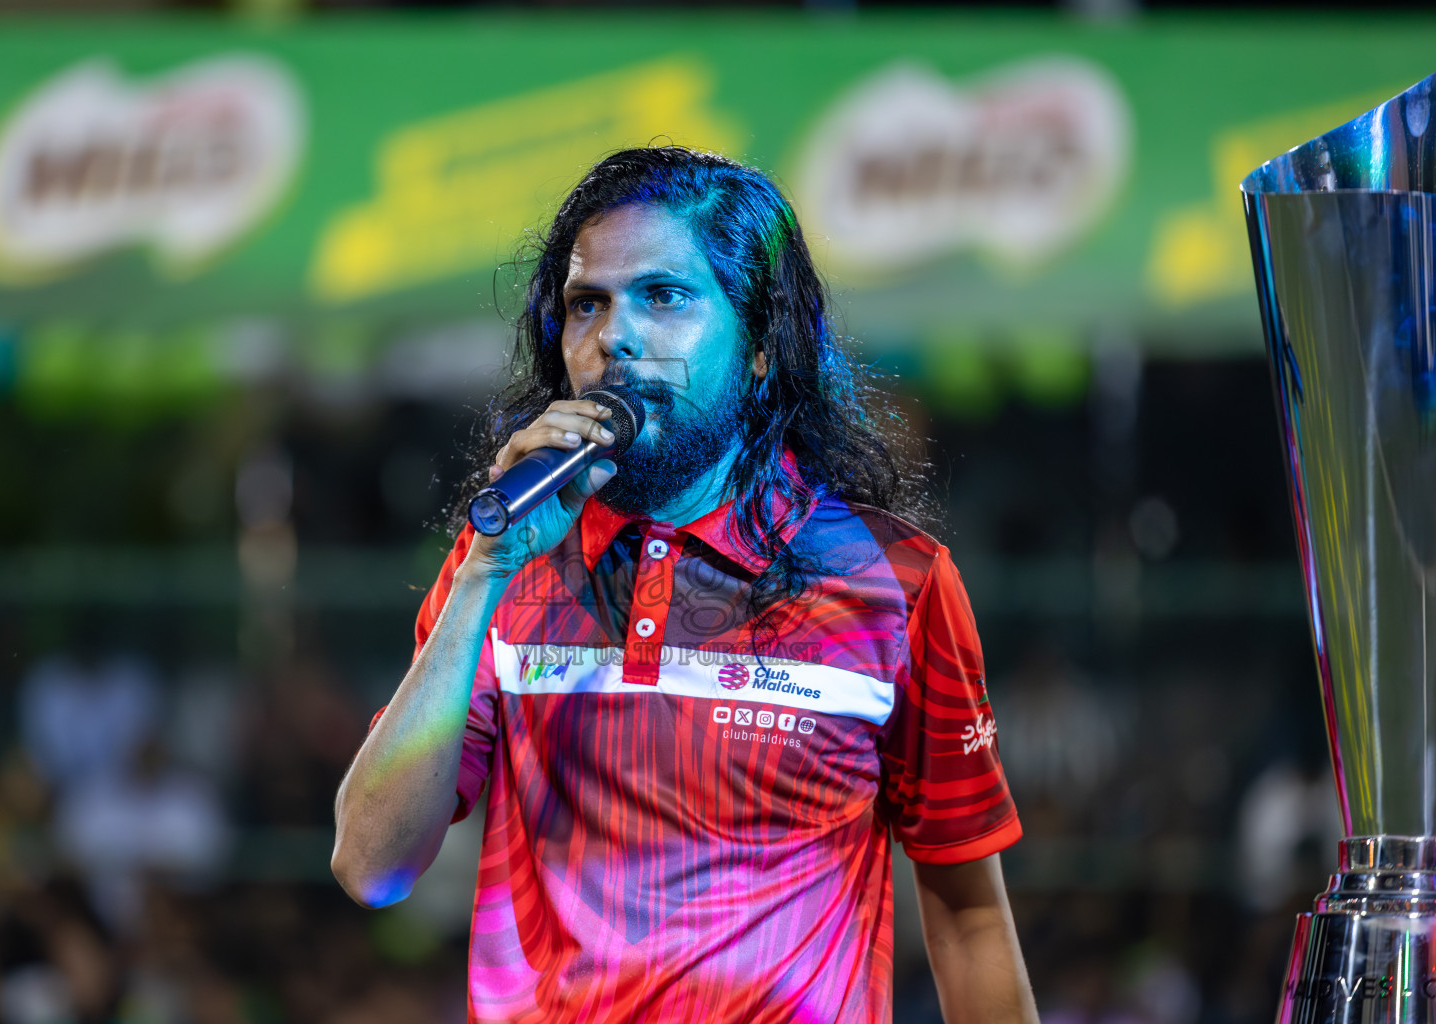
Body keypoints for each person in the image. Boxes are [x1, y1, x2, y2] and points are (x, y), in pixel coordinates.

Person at [332, 146, 1036, 1024]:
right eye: (587, 304)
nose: (612, 337)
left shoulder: (895, 585)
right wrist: (484, 571)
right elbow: (372, 866)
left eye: (664, 296)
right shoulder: (500, 566)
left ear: (761, 349)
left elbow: (970, 917)